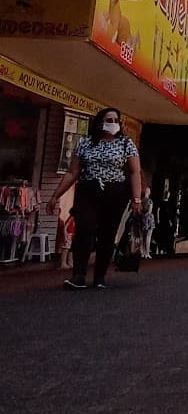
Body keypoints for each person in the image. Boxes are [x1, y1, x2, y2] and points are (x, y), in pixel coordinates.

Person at [44, 108, 141, 290]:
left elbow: (135, 172)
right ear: (99, 122)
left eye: (115, 120)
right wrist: (55, 196)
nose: (112, 123)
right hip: (88, 190)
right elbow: (73, 172)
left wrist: (137, 199)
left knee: (107, 233)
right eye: (108, 119)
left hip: (115, 193)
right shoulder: (85, 143)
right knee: (84, 229)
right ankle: (79, 275)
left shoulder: (126, 144)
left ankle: (99, 276)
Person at [139, 188, 155, 259]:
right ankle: (147, 253)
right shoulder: (150, 201)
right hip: (148, 219)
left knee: (142, 237)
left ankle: (142, 252)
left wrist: (142, 216)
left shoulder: (141, 201)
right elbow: (149, 211)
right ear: (149, 192)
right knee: (148, 237)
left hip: (142, 219)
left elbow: (139, 210)